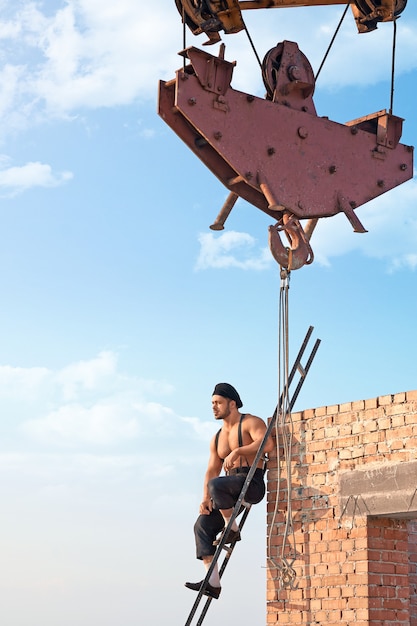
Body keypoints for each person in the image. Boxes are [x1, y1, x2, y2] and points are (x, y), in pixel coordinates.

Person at [185, 382, 274, 600]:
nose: (214, 407)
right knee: (202, 525)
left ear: (232, 403)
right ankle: (213, 582)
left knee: (217, 485)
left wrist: (238, 451)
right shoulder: (217, 438)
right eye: (212, 403)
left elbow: (267, 444)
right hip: (227, 491)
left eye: (218, 402)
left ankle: (231, 528)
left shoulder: (250, 422)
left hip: (251, 483)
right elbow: (212, 469)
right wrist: (205, 499)